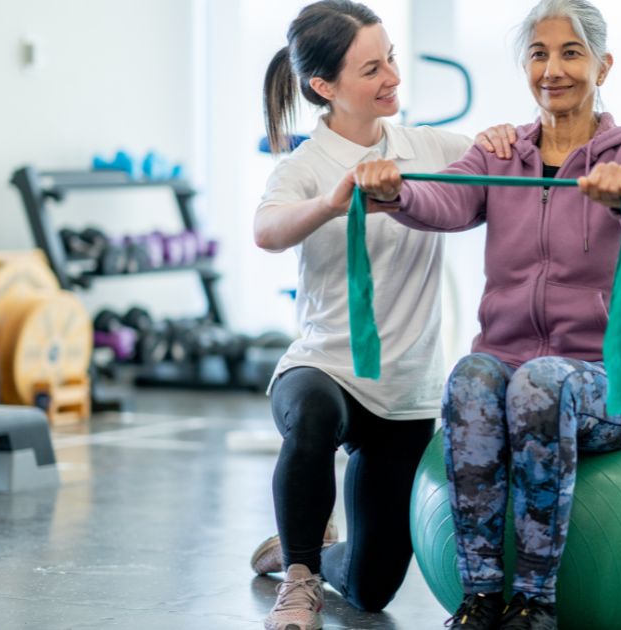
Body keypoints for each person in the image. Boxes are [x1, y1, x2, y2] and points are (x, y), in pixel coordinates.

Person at [353, 1, 621, 628]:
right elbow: (442, 196)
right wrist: (395, 191)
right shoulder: (500, 154)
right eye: (538, 53)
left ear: (603, 65)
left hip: (617, 383)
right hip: (514, 370)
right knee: (473, 377)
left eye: (571, 52)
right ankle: (479, 598)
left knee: (538, 385)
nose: (553, 69)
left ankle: (535, 603)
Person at [252, 2, 514, 629]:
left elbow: (503, 163)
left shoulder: (428, 147)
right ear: (325, 87)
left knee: (372, 591)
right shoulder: (304, 167)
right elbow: (266, 230)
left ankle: (302, 550)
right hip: (326, 368)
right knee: (311, 416)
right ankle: (299, 577)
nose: (393, 76)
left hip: (405, 391)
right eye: (372, 68)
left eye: (391, 57)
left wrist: (507, 140)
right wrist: (330, 203)